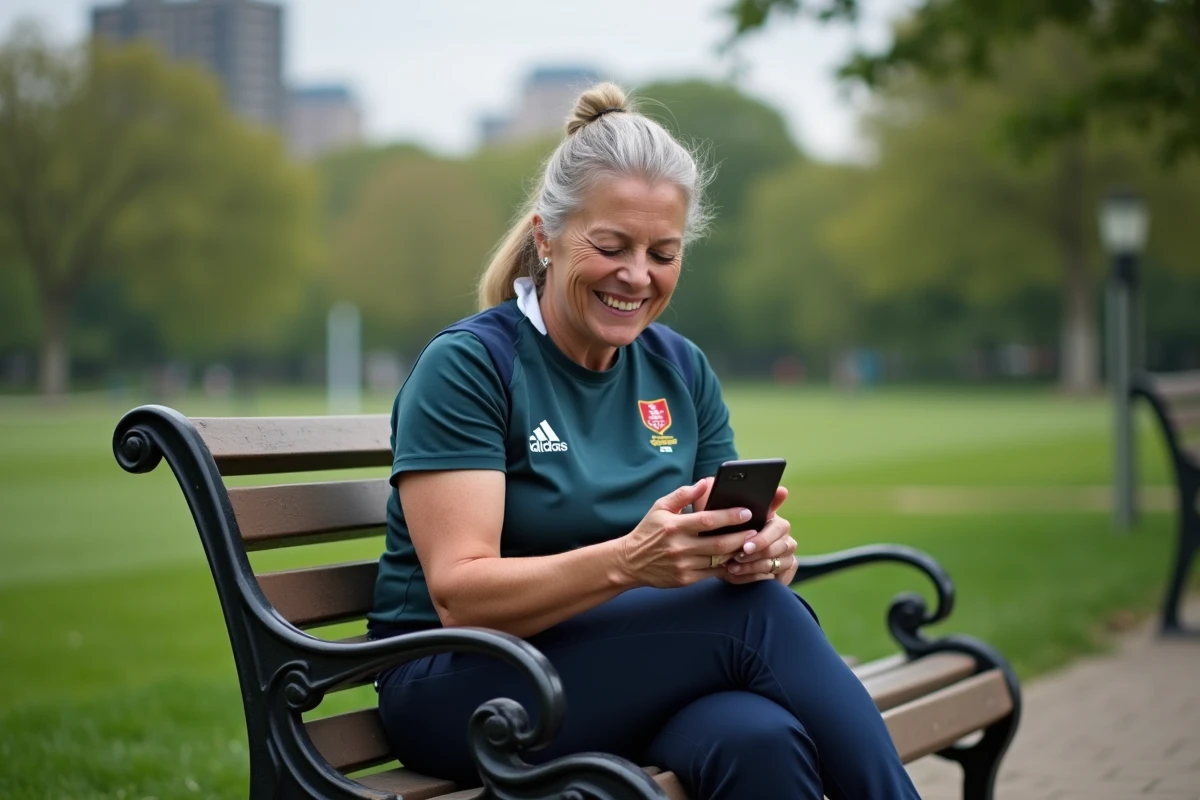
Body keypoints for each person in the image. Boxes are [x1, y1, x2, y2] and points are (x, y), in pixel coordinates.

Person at [367, 82, 921, 800]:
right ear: (546, 237)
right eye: (611, 246)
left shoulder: (679, 368)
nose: (637, 275)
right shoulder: (474, 365)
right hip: (462, 683)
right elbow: (460, 597)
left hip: (621, 670)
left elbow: (726, 570)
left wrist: (761, 557)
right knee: (757, 623)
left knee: (758, 739)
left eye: (663, 252)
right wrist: (632, 562)